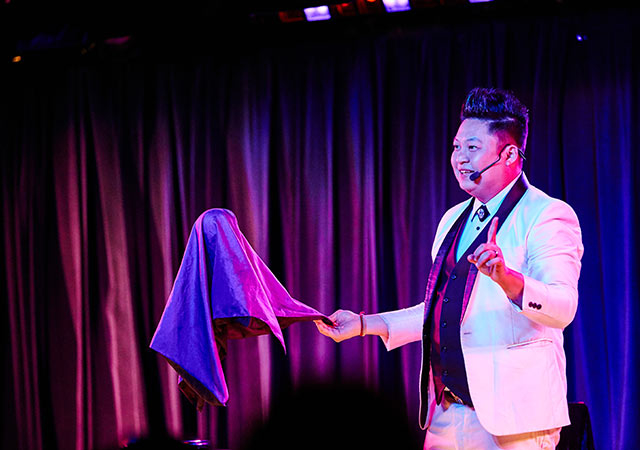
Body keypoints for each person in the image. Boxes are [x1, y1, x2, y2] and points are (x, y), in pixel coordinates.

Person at [315, 87, 584, 449]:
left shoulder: (547, 214)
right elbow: (441, 312)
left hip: (514, 420)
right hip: (446, 414)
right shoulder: (453, 219)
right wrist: (364, 325)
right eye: (457, 147)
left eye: (472, 147)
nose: (459, 158)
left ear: (508, 154)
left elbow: (563, 307)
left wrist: (509, 280)